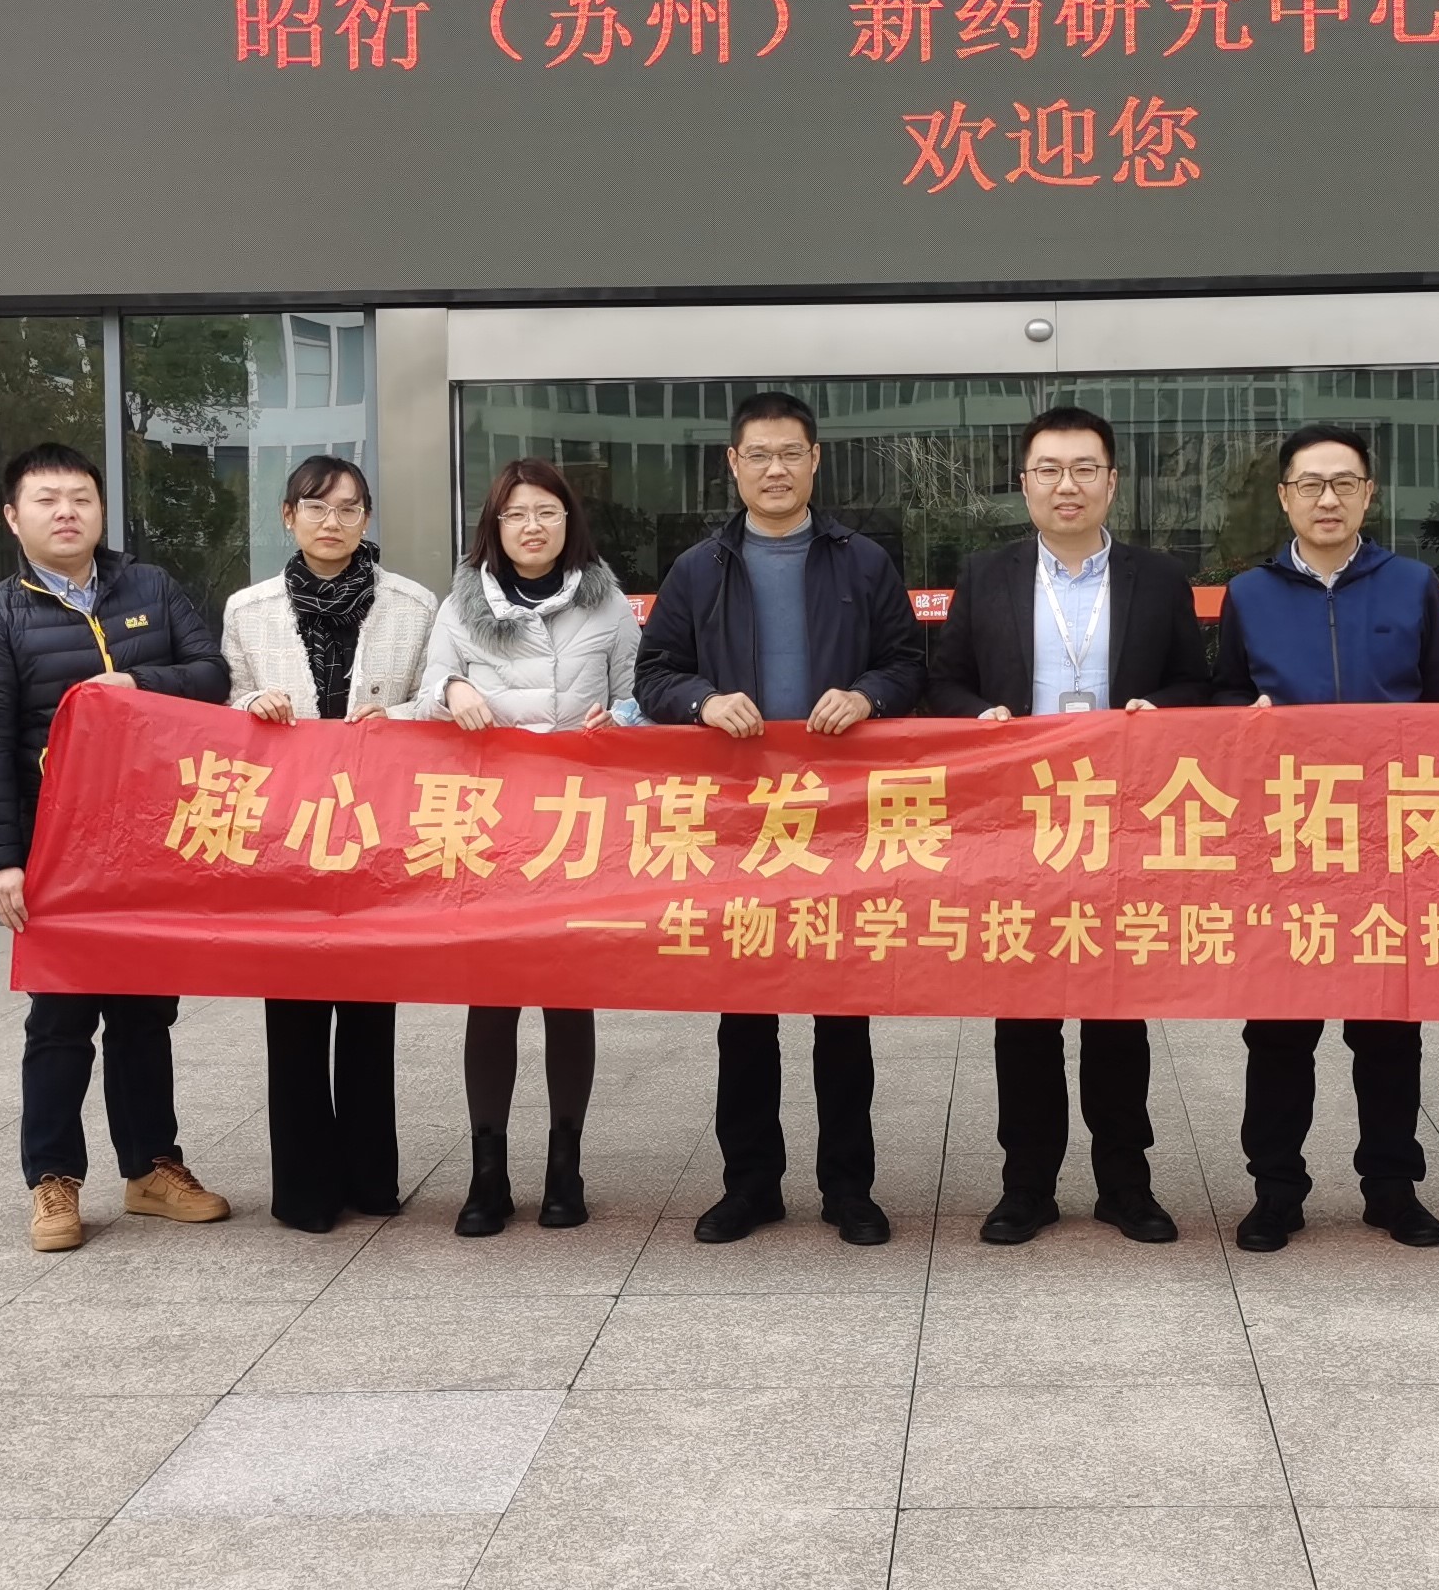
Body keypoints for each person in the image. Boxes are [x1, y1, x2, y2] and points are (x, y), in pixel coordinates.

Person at [636, 390, 928, 1246]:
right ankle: (751, 1185)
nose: (775, 469)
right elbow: (655, 674)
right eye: (758, 455)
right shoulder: (699, 569)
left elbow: (909, 662)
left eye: (790, 453)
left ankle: (849, 1189)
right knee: (744, 1015)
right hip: (741, 819)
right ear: (733, 465)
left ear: (815, 460)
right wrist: (702, 700)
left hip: (839, 815)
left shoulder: (862, 561)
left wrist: (869, 694)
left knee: (842, 1012)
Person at [928, 403, 1207, 1246]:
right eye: (1048, 470)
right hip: (1018, 827)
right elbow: (944, 683)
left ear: (1112, 482)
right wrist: (978, 716)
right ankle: (1027, 1186)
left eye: (1085, 468)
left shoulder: (1159, 578)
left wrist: (1160, 710)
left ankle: (1126, 1184)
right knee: (1024, 1015)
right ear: (1025, 485)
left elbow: (1199, 684)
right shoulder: (988, 574)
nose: (1067, 485)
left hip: (1122, 824)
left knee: (1118, 1012)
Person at [0, 441, 236, 1253]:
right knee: (62, 1017)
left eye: (80, 497)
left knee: (146, 1012)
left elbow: (211, 674)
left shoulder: (150, 589)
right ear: (14, 518)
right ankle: (53, 1181)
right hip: (60, 852)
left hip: (153, 841)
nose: (67, 512)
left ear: (102, 509)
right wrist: (2, 861)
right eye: (46, 499)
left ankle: (152, 1170)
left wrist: (137, 684)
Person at [1210, 421, 1439, 1253]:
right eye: (1311, 484)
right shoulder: (1248, 594)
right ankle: (1276, 1189)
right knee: (1278, 1031)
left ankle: (1392, 1187)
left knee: (1387, 1028)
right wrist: (1240, 720)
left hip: (1391, 842)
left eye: (1344, 483)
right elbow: (1222, 698)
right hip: (1285, 841)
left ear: (1369, 494)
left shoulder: (1412, 584)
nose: (1328, 498)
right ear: (1284, 497)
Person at [415, 457, 640, 1236]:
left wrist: (622, 722)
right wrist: (453, 690)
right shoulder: (460, 607)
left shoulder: (609, 606)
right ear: (495, 526)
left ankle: (564, 1168)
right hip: (491, 829)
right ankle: (488, 1174)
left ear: (569, 522)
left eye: (547, 512)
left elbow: (637, 697)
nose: (532, 526)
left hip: (576, 828)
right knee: (492, 994)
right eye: (516, 515)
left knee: (568, 994)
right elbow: (425, 691)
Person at [222, 455, 438, 1234]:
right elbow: (225, 700)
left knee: (371, 1011)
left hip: (378, 834)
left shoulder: (414, 604)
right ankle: (306, 1189)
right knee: (294, 1015)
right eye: (315, 507)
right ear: (289, 517)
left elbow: (433, 699)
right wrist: (253, 700)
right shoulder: (248, 609)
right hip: (287, 836)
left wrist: (398, 718)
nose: (332, 522)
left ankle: (372, 1179)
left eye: (348, 508)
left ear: (366, 518)